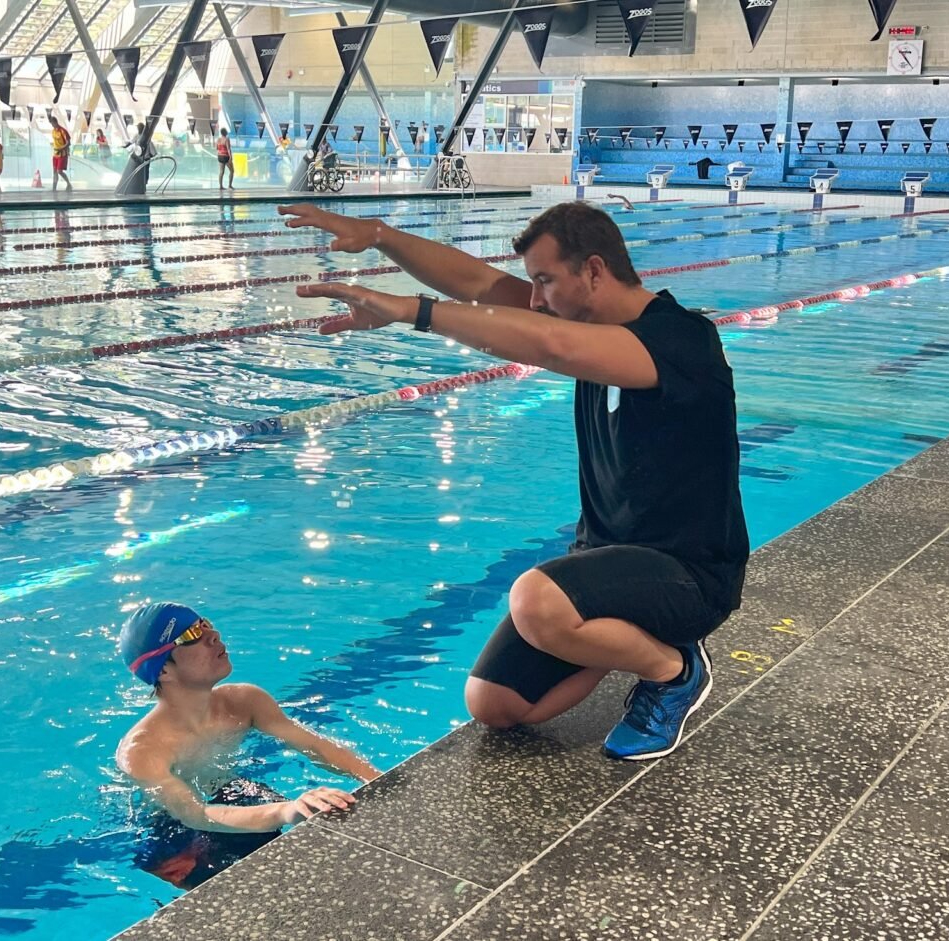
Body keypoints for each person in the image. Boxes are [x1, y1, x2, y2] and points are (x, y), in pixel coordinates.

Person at [278, 200, 749, 761]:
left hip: (688, 572)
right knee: (494, 704)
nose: (533, 299)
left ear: (594, 271)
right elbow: (478, 282)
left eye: (545, 280)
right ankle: (623, 634)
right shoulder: (582, 318)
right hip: (606, 559)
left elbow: (551, 345)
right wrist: (380, 236)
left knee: (535, 599)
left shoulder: (680, 341)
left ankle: (676, 671)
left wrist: (412, 311)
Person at [116, 602, 378, 887]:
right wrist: (286, 811)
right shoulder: (143, 750)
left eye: (205, 623)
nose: (213, 635)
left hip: (226, 795)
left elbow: (316, 746)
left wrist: (375, 778)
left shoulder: (243, 702)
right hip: (174, 833)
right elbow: (195, 814)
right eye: (191, 635)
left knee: (307, 833)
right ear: (163, 669)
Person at [125, 121, 156, 188]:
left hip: (146, 157)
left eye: (138, 127)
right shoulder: (137, 135)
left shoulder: (146, 136)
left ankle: (144, 183)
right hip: (139, 157)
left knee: (145, 171)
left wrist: (153, 154)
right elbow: (132, 142)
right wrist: (126, 146)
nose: (138, 129)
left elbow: (150, 145)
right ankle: (139, 183)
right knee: (139, 170)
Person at [49, 115, 72, 191]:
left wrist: (61, 148)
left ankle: (68, 183)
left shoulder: (63, 131)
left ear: (55, 122)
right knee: (54, 171)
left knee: (59, 171)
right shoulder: (53, 131)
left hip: (62, 154)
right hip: (55, 154)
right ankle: (54, 188)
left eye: (52, 123)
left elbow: (68, 143)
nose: (52, 125)